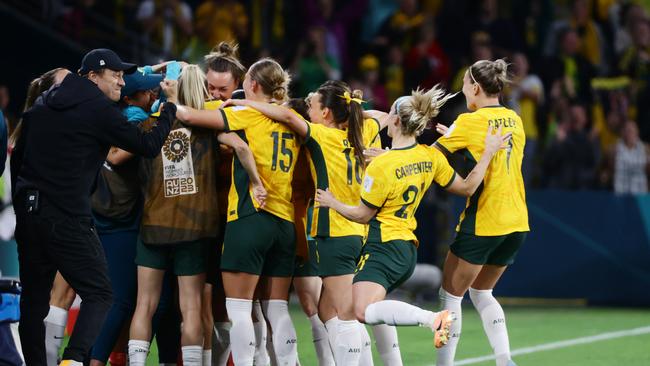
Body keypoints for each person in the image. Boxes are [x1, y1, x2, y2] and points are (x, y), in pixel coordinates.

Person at [315, 86, 509, 361]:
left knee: (355, 311)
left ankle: (433, 319)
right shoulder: (429, 156)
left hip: (383, 246)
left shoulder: (383, 165)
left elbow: (362, 215)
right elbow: (467, 187)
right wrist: (488, 153)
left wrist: (332, 202)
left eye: (390, 114)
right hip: (406, 248)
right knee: (359, 308)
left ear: (395, 120)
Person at [12, 48, 174, 366]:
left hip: (30, 213)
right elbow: (149, 145)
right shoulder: (97, 109)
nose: (119, 82)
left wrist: (24, 206)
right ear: (92, 76)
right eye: (114, 75)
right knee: (100, 293)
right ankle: (74, 360)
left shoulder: (44, 104)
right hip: (67, 215)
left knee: (33, 302)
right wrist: (170, 107)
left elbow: (18, 158)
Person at [222, 80, 384, 365]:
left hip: (330, 229)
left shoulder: (320, 136)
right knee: (325, 308)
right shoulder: (365, 130)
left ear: (327, 114)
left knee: (342, 311)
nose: (308, 109)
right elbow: (383, 117)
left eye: (313, 105)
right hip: (359, 229)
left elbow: (286, 116)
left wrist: (244, 104)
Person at [163, 57, 300, 366]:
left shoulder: (243, 115)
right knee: (275, 309)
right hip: (285, 222)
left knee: (238, 308)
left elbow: (187, 115)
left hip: (251, 217)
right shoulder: (291, 118)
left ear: (250, 85)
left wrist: (172, 98)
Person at [433, 59, 529, 366]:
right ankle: (504, 359)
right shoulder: (515, 118)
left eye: (463, 84)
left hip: (486, 218)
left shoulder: (468, 122)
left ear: (475, 87)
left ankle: (443, 363)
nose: (462, 90)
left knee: (450, 298)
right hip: (517, 220)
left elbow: (427, 159)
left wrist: (392, 156)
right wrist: (457, 136)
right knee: (481, 292)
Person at [6, 67, 71, 366]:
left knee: (46, 298)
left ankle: (43, 358)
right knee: (42, 298)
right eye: (66, 83)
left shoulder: (29, 126)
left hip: (38, 220)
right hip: (40, 221)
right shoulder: (35, 129)